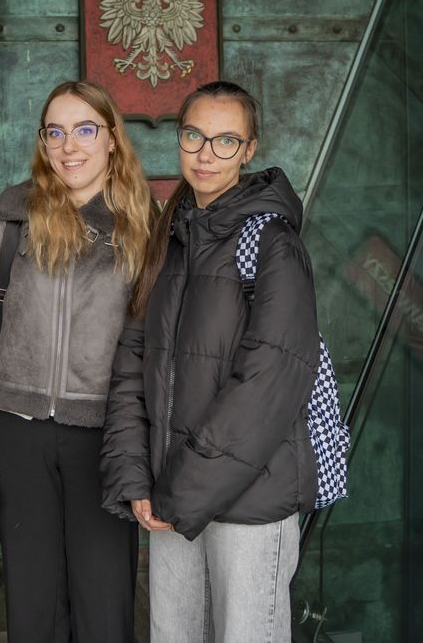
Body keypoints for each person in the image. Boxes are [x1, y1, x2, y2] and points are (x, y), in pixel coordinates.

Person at [0, 80, 154, 641]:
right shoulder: (9, 220)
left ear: (112, 138)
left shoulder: (145, 227)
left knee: (105, 605)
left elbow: (160, 347)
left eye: (84, 130)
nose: (68, 146)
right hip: (15, 435)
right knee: (33, 606)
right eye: (55, 132)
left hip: (105, 435)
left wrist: (150, 447)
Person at [100, 80, 319, 643]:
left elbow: (268, 383)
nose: (205, 154)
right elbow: (133, 362)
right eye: (194, 136)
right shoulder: (170, 236)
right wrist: (136, 476)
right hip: (171, 494)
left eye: (226, 141)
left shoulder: (271, 243)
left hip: (248, 501)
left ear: (250, 149)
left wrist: (181, 492)